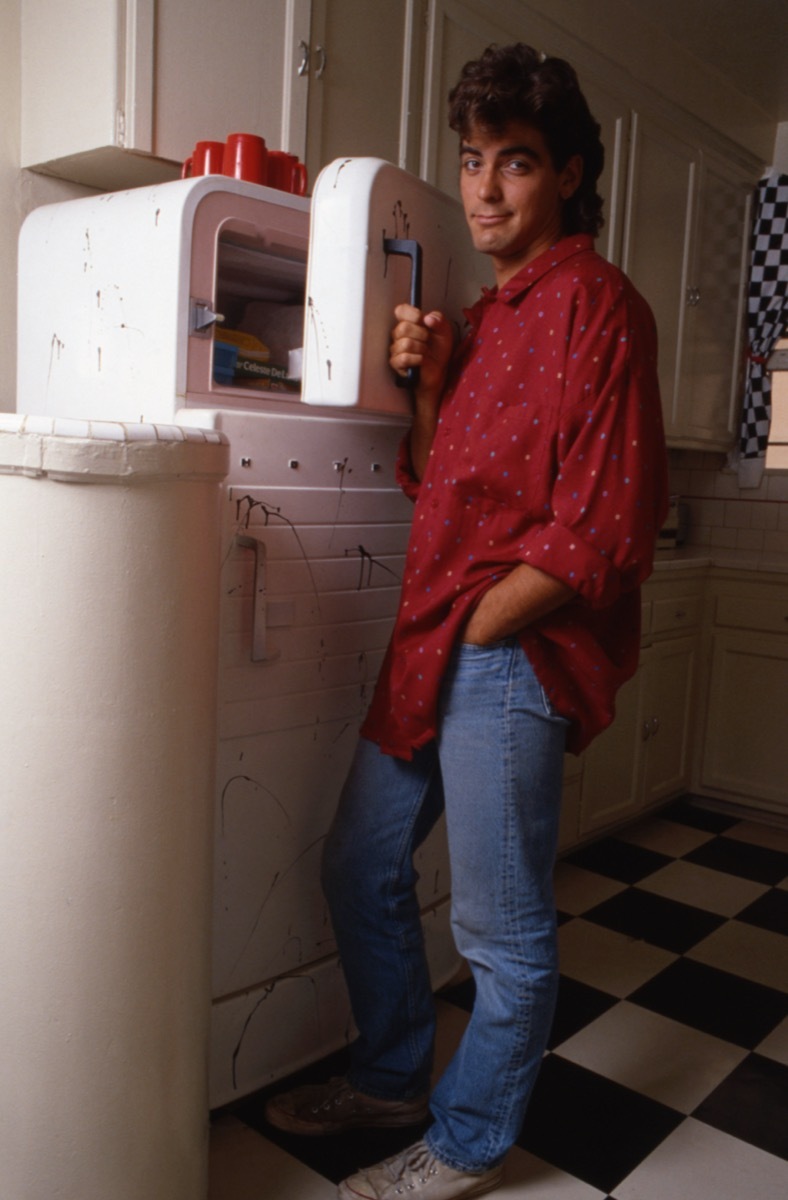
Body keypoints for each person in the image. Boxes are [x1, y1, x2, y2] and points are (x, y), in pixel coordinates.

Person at [265, 42, 669, 1200]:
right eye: (473, 161)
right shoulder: (487, 316)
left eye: (518, 163)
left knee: (501, 934)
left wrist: (487, 626)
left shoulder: (600, 307)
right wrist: (433, 384)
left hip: (505, 653)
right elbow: (446, 488)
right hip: (432, 640)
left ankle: (466, 1139)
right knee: (358, 865)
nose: (486, 190)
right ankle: (392, 1074)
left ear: (569, 175)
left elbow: (602, 529)